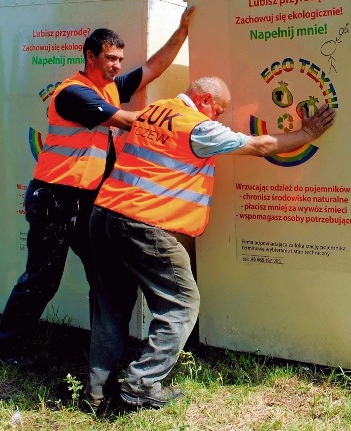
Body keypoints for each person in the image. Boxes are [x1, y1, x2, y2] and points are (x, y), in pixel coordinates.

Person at [86, 76, 336, 410]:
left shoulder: (156, 110)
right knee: (181, 304)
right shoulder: (199, 127)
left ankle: (96, 393)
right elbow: (259, 146)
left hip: (104, 215)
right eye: (217, 111)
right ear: (205, 100)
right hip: (142, 223)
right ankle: (141, 386)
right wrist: (306, 134)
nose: (216, 118)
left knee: (110, 307)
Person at [0, 7, 194, 367]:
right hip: (53, 198)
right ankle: (7, 346)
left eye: (120, 59)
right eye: (110, 58)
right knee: (42, 279)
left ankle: (105, 352)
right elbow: (122, 120)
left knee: (106, 275)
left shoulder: (110, 88)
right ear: (90, 56)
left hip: (86, 200)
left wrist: (182, 33)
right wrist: (179, 120)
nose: (117, 65)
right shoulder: (74, 94)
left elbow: (153, 68)